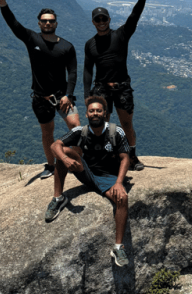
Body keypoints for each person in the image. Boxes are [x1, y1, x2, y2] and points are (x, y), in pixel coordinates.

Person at [0, 0, 80, 179]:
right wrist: (3, 4)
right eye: (44, 21)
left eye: (51, 21)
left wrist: (68, 95)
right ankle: (51, 165)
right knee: (47, 133)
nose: (48, 23)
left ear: (56, 23)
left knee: (76, 127)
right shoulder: (32, 39)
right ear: (39, 23)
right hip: (41, 98)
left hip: (62, 97)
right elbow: (13, 24)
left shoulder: (67, 46)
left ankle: (78, 160)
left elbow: (72, 72)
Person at [45, 96, 131, 267]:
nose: (95, 113)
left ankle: (118, 247)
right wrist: (64, 158)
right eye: (92, 111)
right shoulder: (81, 131)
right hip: (87, 173)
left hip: (109, 178)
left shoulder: (116, 132)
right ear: (86, 114)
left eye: (99, 110)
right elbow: (55, 145)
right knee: (64, 152)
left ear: (105, 114)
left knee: (123, 199)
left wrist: (119, 182)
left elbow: (125, 158)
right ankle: (58, 198)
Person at [83, 0, 151, 171]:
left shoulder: (121, 35)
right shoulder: (90, 44)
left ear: (109, 20)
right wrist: (87, 94)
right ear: (93, 22)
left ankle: (132, 157)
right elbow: (88, 69)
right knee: (101, 125)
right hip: (101, 87)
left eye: (104, 19)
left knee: (126, 124)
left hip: (122, 86)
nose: (102, 22)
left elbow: (134, 16)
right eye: (98, 19)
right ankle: (106, 157)